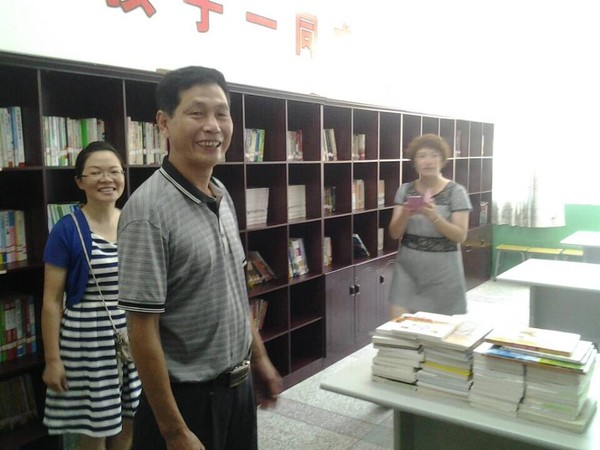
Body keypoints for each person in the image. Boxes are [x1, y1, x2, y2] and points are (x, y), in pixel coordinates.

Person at [117, 66, 282, 450]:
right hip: (186, 401)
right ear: (164, 122)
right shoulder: (147, 212)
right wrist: (174, 431)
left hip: (236, 389)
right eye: (197, 113)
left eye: (222, 113)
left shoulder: (221, 193)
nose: (213, 125)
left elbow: (234, 290)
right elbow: (142, 330)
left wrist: (259, 359)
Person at [42, 141, 141, 450]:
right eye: (96, 172)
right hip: (87, 339)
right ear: (79, 181)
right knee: (96, 429)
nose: (107, 179)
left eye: (114, 171)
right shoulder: (66, 229)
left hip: (132, 334)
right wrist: (52, 360)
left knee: (130, 422)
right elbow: (51, 302)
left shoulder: (134, 221)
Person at [387, 133, 472, 318]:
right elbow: (394, 233)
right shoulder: (405, 190)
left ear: (442, 160)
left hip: (443, 273)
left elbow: (460, 236)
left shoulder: (456, 192)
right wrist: (405, 214)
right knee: (398, 327)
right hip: (407, 270)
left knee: (436, 330)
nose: (428, 161)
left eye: (434, 155)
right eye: (422, 156)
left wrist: (435, 217)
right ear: (414, 162)